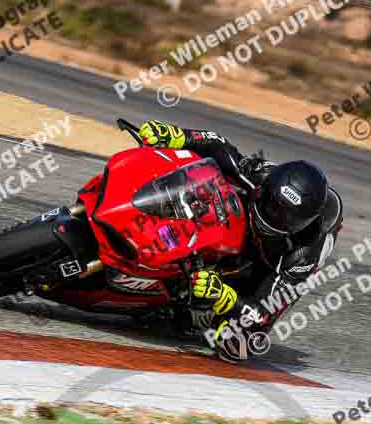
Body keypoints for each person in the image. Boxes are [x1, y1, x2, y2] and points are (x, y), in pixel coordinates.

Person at [137, 120, 344, 363]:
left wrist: (227, 298)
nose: (270, 214)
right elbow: (217, 144)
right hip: (246, 215)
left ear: (301, 223)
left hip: (272, 264)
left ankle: (197, 314)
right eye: (270, 203)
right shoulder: (263, 176)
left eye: (283, 216)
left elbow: (264, 310)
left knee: (238, 345)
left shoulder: (303, 252)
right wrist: (176, 135)